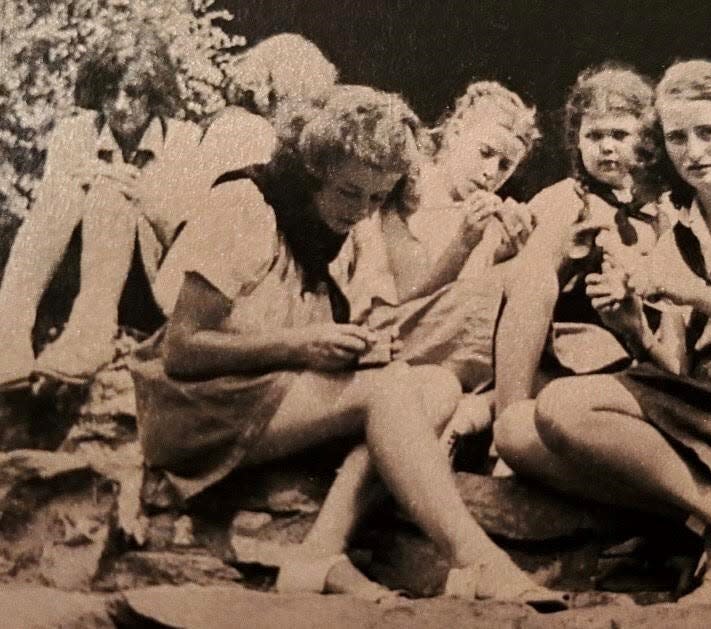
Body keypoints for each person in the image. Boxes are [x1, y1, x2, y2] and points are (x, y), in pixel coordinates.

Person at [130, 85, 567, 609]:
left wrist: (359, 344)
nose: (362, 211)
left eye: (377, 198)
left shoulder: (347, 228)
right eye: (349, 192)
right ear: (313, 169)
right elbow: (183, 350)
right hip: (193, 411)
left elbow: (381, 310)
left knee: (431, 385)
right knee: (389, 391)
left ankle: (321, 550)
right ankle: (478, 561)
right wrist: (303, 344)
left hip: (268, 394)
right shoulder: (245, 205)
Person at [495, 60, 711, 604]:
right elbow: (678, 369)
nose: (693, 150)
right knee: (515, 430)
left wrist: (691, 291)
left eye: (708, 132)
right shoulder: (678, 227)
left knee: (564, 405)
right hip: (705, 399)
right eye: (676, 137)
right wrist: (633, 328)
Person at [0, 30, 202, 387]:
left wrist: (143, 197)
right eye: (110, 92)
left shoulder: (183, 140)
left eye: (133, 93)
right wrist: (79, 186)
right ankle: (10, 331)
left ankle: (91, 333)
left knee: (111, 191)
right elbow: (45, 224)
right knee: (66, 194)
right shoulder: (74, 133)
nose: (121, 105)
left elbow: (191, 242)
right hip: (77, 272)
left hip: (148, 285)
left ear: (153, 93)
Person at [342, 82, 538, 442]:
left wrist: (502, 256)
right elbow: (396, 301)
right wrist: (463, 245)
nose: (492, 172)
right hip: (387, 334)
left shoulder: (481, 214)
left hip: (442, 351)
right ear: (457, 131)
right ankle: (492, 423)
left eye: (506, 165)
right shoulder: (404, 186)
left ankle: (470, 417)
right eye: (486, 152)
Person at [491, 62, 667, 427]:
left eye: (619, 135)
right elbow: (528, 292)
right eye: (594, 136)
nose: (606, 147)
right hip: (564, 355)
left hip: (636, 357)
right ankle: (506, 419)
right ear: (577, 140)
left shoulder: (659, 213)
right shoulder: (567, 200)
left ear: (647, 140)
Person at [154, 33, 339, 316]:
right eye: (310, 100)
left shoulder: (231, 123)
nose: (314, 114)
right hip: (203, 286)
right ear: (278, 92)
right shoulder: (248, 130)